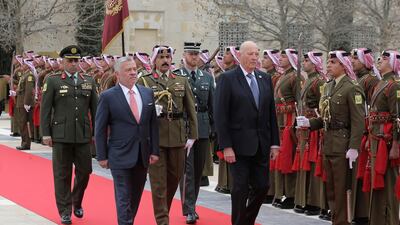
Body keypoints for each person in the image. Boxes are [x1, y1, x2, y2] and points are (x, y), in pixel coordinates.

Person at [214, 41, 280, 225]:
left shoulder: (264, 78)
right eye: (250, 53)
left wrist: (275, 142)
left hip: (261, 144)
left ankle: (246, 220)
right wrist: (226, 146)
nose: (254, 57)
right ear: (240, 56)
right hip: (237, 146)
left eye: (256, 53)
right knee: (240, 188)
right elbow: (221, 116)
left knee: (262, 187)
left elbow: (270, 113)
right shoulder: (227, 79)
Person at [297, 50, 365, 225]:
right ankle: (336, 220)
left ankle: (342, 222)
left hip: (343, 145)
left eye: (333, 62)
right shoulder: (328, 86)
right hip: (328, 143)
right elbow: (325, 118)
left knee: (342, 189)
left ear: (343, 65)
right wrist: (308, 124)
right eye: (328, 62)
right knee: (331, 190)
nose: (329, 65)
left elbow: (358, 121)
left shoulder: (352, 87)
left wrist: (354, 147)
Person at [137, 45, 198, 225]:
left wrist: (192, 136)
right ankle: (162, 220)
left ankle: (164, 210)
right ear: (154, 60)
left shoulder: (181, 80)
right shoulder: (145, 81)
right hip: (155, 138)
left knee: (174, 178)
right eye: (161, 57)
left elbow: (190, 109)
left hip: (178, 137)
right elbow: (137, 110)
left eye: (168, 57)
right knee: (158, 183)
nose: (165, 60)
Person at [95, 57, 159, 225]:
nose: (133, 72)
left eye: (134, 69)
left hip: (142, 154)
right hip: (119, 154)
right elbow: (100, 128)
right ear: (117, 74)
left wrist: (154, 151)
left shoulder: (147, 93)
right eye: (128, 70)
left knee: (135, 196)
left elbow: (153, 125)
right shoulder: (108, 97)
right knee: (123, 196)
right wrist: (101, 155)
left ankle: (128, 221)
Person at [40, 45, 98, 225]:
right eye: (70, 61)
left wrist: (97, 134)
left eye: (76, 61)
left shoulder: (89, 80)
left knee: (85, 172)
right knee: (61, 174)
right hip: (60, 135)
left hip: (82, 134)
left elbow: (95, 110)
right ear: (62, 62)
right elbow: (45, 109)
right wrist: (46, 134)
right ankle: (65, 211)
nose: (73, 64)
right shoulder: (53, 80)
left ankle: (76, 201)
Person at [176, 42, 215, 224]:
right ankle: (189, 209)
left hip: (203, 127)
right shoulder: (177, 76)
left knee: (198, 171)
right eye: (191, 54)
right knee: (187, 171)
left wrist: (214, 129)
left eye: (196, 54)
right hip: (184, 128)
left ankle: (192, 204)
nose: (194, 57)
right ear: (184, 55)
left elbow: (212, 105)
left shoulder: (206, 77)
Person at [366, 50, 400, 225]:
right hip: (375, 140)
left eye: (385, 59)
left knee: (389, 184)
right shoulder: (381, 83)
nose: (380, 60)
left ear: (393, 63)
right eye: (380, 58)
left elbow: (397, 118)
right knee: (377, 181)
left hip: (386, 143)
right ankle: (378, 219)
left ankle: (391, 220)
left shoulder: (394, 85)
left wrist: (395, 144)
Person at [293, 51, 326, 215]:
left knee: (312, 163)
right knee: (303, 162)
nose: (304, 63)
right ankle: (303, 199)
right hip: (305, 126)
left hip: (314, 128)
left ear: (314, 63)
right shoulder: (308, 81)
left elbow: (322, 107)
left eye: (307, 61)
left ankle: (314, 201)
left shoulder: (319, 82)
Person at [350, 48, 380, 225]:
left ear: (365, 61)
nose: (352, 61)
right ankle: (357, 211)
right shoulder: (358, 80)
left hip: (365, 131)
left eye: (356, 59)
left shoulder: (371, 80)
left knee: (364, 173)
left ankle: (363, 213)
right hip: (357, 130)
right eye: (352, 59)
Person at [273, 49, 303, 209]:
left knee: (289, 159)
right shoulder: (283, 76)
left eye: (284, 56)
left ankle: (291, 195)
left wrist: (295, 125)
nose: (280, 58)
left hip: (289, 123)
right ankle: (280, 192)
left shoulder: (295, 77)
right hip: (280, 122)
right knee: (280, 158)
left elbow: (300, 103)